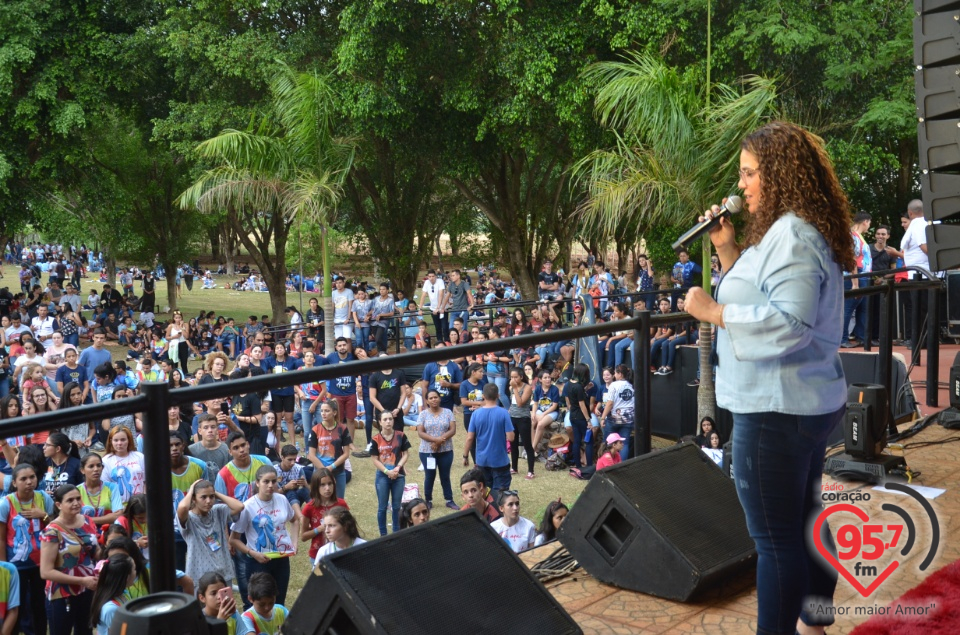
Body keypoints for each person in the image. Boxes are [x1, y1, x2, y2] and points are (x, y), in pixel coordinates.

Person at [684, 121, 851, 635]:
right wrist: (727, 249)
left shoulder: (794, 237)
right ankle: (814, 624)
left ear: (779, 175)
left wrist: (713, 314)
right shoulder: (788, 232)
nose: (742, 186)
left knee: (776, 543)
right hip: (799, 404)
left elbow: (790, 324)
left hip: (778, 411)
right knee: (804, 524)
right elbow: (764, 295)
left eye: (750, 173)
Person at [230, 466, 298, 609]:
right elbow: (234, 539)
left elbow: (295, 519)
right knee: (258, 604)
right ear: (257, 482)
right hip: (258, 562)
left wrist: (294, 543)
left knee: (279, 602)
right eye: (266, 481)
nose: (270, 485)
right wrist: (252, 553)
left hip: (281, 558)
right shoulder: (248, 506)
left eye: (274, 481)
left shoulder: (282, 499)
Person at [0, 463, 55, 635]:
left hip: (42, 563)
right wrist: (3, 566)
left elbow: (56, 526)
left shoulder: (44, 497)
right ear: (14, 482)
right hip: (16, 566)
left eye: (32, 477)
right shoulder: (6, 503)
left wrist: (43, 515)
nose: (29, 481)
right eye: (23, 479)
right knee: (17, 605)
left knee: (40, 605)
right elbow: (1, 538)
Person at [39, 484, 98, 635]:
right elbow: (46, 572)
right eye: (70, 500)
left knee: (85, 631)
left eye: (78, 498)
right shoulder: (51, 531)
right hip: (62, 595)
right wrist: (82, 580)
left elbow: (95, 552)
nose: (76, 503)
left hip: (87, 590)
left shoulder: (88, 521)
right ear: (58, 505)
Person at [177, 479, 245, 591]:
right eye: (203, 497)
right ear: (194, 498)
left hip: (223, 571)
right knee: (202, 607)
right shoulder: (188, 518)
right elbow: (183, 507)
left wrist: (215, 493)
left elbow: (239, 506)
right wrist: (192, 488)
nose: (208, 501)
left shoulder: (218, 511)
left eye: (211, 497)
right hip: (199, 574)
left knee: (224, 605)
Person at [415, 389, 458, 511]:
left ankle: (449, 500)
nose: (434, 399)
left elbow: (452, 430)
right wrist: (435, 440)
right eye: (431, 398)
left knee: (445, 475)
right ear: (427, 401)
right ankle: (428, 500)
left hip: (446, 450)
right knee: (430, 475)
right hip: (427, 451)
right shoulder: (423, 414)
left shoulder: (448, 412)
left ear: (439, 398)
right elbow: (420, 432)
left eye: (436, 397)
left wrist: (439, 441)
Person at [370, 411, 409, 536]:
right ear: (380, 422)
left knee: (397, 506)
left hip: (398, 475)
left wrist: (398, 467)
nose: (388, 422)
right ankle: (383, 535)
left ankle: (396, 533)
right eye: (385, 419)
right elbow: (375, 459)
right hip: (383, 476)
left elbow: (406, 454)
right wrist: (387, 471)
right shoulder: (375, 439)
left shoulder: (401, 435)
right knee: (382, 508)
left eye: (390, 419)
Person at [305, 400, 353, 500]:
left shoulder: (342, 428)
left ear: (334, 412)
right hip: (319, 472)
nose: (323, 413)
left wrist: (331, 467)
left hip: (338, 472)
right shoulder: (315, 429)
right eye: (322, 411)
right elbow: (311, 455)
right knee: (319, 502)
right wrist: (325, 470)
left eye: (326, 411)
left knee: (338, 502)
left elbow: (346, 453)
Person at [298, 468, 348, 561]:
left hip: (340, 553)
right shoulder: (309, 508)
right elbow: (303, 536)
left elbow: (349, 528)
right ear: (316, 487)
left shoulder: (341, 504)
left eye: (330, 483)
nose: (327, 488)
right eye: (322, 485)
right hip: (317, 555)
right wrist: (319, 529)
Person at [88, 554, 134, 635]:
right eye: (134, 569)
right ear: (127, 577)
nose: (136, 572)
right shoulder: (111, 609)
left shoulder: (123, 593)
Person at [100, 427, 144, 505]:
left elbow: (146, 481)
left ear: (129, 440)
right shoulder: (105, 461)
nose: (119, 443)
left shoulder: (139, 456)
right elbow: (106, 487)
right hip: (118, 505)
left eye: (123, 440)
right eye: (116, 440)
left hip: (140, 502)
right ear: (111, 441)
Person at [77, 454, 123, 526]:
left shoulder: (112, 487)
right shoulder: (77, 491)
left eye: (99, 465)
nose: (96, 469)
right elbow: (74, 518)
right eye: (91, 466)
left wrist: (87, 519)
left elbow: (118, 515)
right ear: (82, 470)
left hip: (108, 531)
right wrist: (107, 518)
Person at [507, 368, 535, 479]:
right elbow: (512, 404)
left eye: (516, 377)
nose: (513, 379)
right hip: (512, 417)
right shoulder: (511, 388)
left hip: (523, 418)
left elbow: (520, 403)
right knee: (513, 443)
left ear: (521, 377)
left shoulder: (527, 388)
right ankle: (514, 467)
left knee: (527, 444)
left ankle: (531, 471)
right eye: (512, 377)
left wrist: (514, 388)